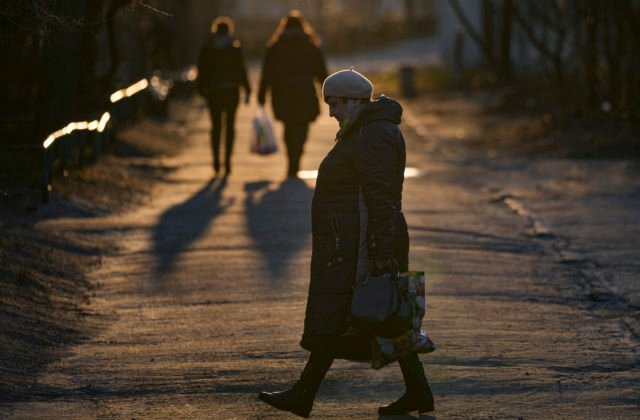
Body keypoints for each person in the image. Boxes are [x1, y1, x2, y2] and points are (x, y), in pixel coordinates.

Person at [258, 69, 435, 417]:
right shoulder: (362, 131)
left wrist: (381, 252)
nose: (330, 112)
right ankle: (418, 394)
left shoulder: (373, 135)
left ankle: (303, 394)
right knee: (382, 318)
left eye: (335, 104)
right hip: (353, 244)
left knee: (354, 316)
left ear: (354, 101)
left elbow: (382, 197)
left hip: (363, 247)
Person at [257, 10, 327, 177]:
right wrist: (328, 90)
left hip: (283, 92)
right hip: (305, 91)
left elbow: (267, 72)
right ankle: (298, 155)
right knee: (302, 126)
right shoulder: (310, 45)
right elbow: (321, 71)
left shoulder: (275, 46)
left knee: (289, 126)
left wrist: (261, 94)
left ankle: (291, 158)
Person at [197, 16, 251, 176]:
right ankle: (227, 161)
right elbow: (242, 70)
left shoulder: (207, 49)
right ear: (229, 31)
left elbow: (202, 70)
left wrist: (201, 89)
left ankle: (216, 161)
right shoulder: (234, 48)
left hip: (214, 92)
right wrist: (247, 90)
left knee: (215, 126)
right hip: (231, 91)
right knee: (230, 126)